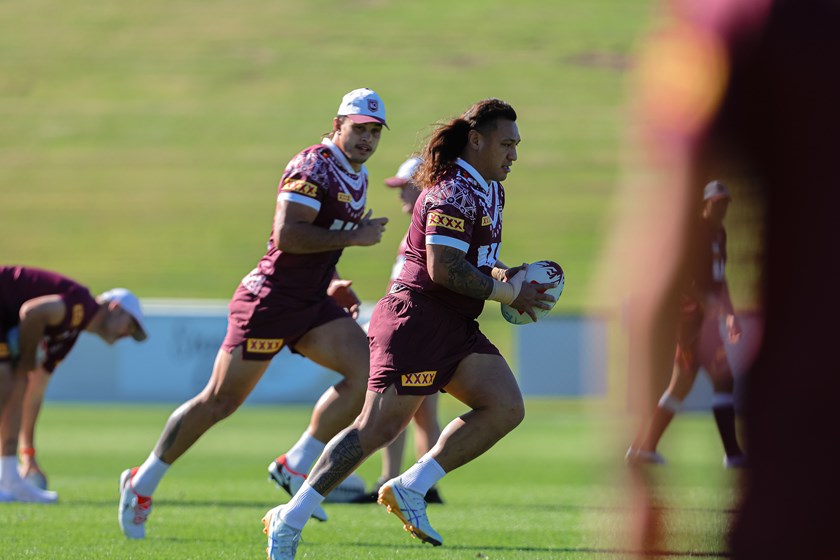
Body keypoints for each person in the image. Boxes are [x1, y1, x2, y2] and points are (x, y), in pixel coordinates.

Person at [261, 98, 557, 559]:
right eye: (507, 144)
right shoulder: (452, 191)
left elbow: (472, 260)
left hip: (455, 322)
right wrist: (508, 294)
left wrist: (505, 275)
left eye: (516, 145)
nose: (514, 154)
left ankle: (410, 488)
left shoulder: (491, 190)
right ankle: (290, 515)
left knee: (505, 407)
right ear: (476, 141)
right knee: (376, 428)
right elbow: (442, 268)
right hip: (415, 320)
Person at [609, 0, 840, 557]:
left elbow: (659, 261)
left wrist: (637, 497)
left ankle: (653, 451)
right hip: (710, 330)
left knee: (705, 386)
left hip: (807, 438)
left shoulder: (747, 21)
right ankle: (662, 447)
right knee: (697, 385)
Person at [118, 88, 389, 539]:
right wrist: (356, 238)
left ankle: (296, 463)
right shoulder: (313, 165)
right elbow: (288, 235)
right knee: (220, 401)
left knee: (369, 373)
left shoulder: (356, 175)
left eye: (375, 132)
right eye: (359, 128)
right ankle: (141, 481)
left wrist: (332, 279)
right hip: (271, 300)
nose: (366, 139)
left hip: (308, 300)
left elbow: (322, 237)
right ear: (337, 123)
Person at [0, 265, 147, 503]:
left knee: (18, 384)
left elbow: (34, 392)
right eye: (130, 326)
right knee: (6, 379)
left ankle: (9, 478)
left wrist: (28, 454)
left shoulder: (69, 335)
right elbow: (31, 312)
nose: (128, 335)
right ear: (115, 308)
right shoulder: (81, 305)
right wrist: (26, 363)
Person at [625, 179, 746, 468]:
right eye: (717, 204)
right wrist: (707, 301)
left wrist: (728, 313)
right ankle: (733, 454)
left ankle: (643, 447)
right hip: (692, 322)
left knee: (680, 386)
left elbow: (720, 279)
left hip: (705, 321)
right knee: (723, 379)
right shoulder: (695, 234)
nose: (722, 209)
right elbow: (681, 280)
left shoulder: (719, 233)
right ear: (705, 204)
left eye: (725, 203)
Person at [353, 156, 444, 504]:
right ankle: (424, 485)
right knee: (422, 412)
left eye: (405, 187)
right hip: (421, 327)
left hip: (415, 328)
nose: (401, 196)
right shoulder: (420, 228)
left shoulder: (425, 230)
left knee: (397, 409)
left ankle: (392, 482)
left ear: (423, 185)